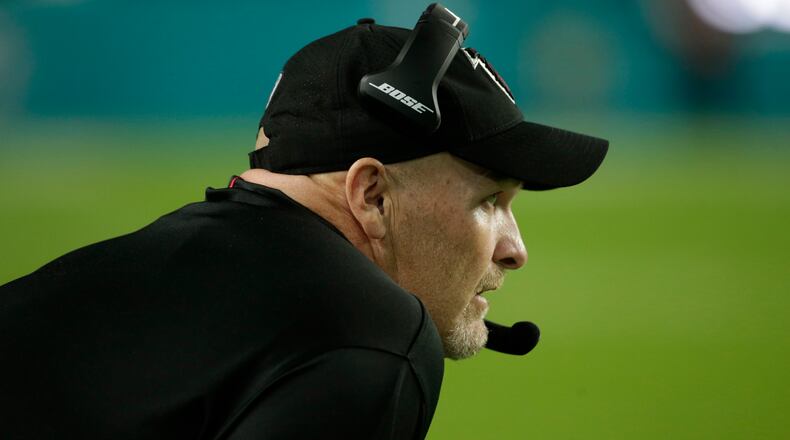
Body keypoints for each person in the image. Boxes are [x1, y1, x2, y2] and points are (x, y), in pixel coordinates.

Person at [0, 12, 608, 440]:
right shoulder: (370, 335)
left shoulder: (102, 274)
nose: (514, 250)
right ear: (371, 194)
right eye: (489, 201)